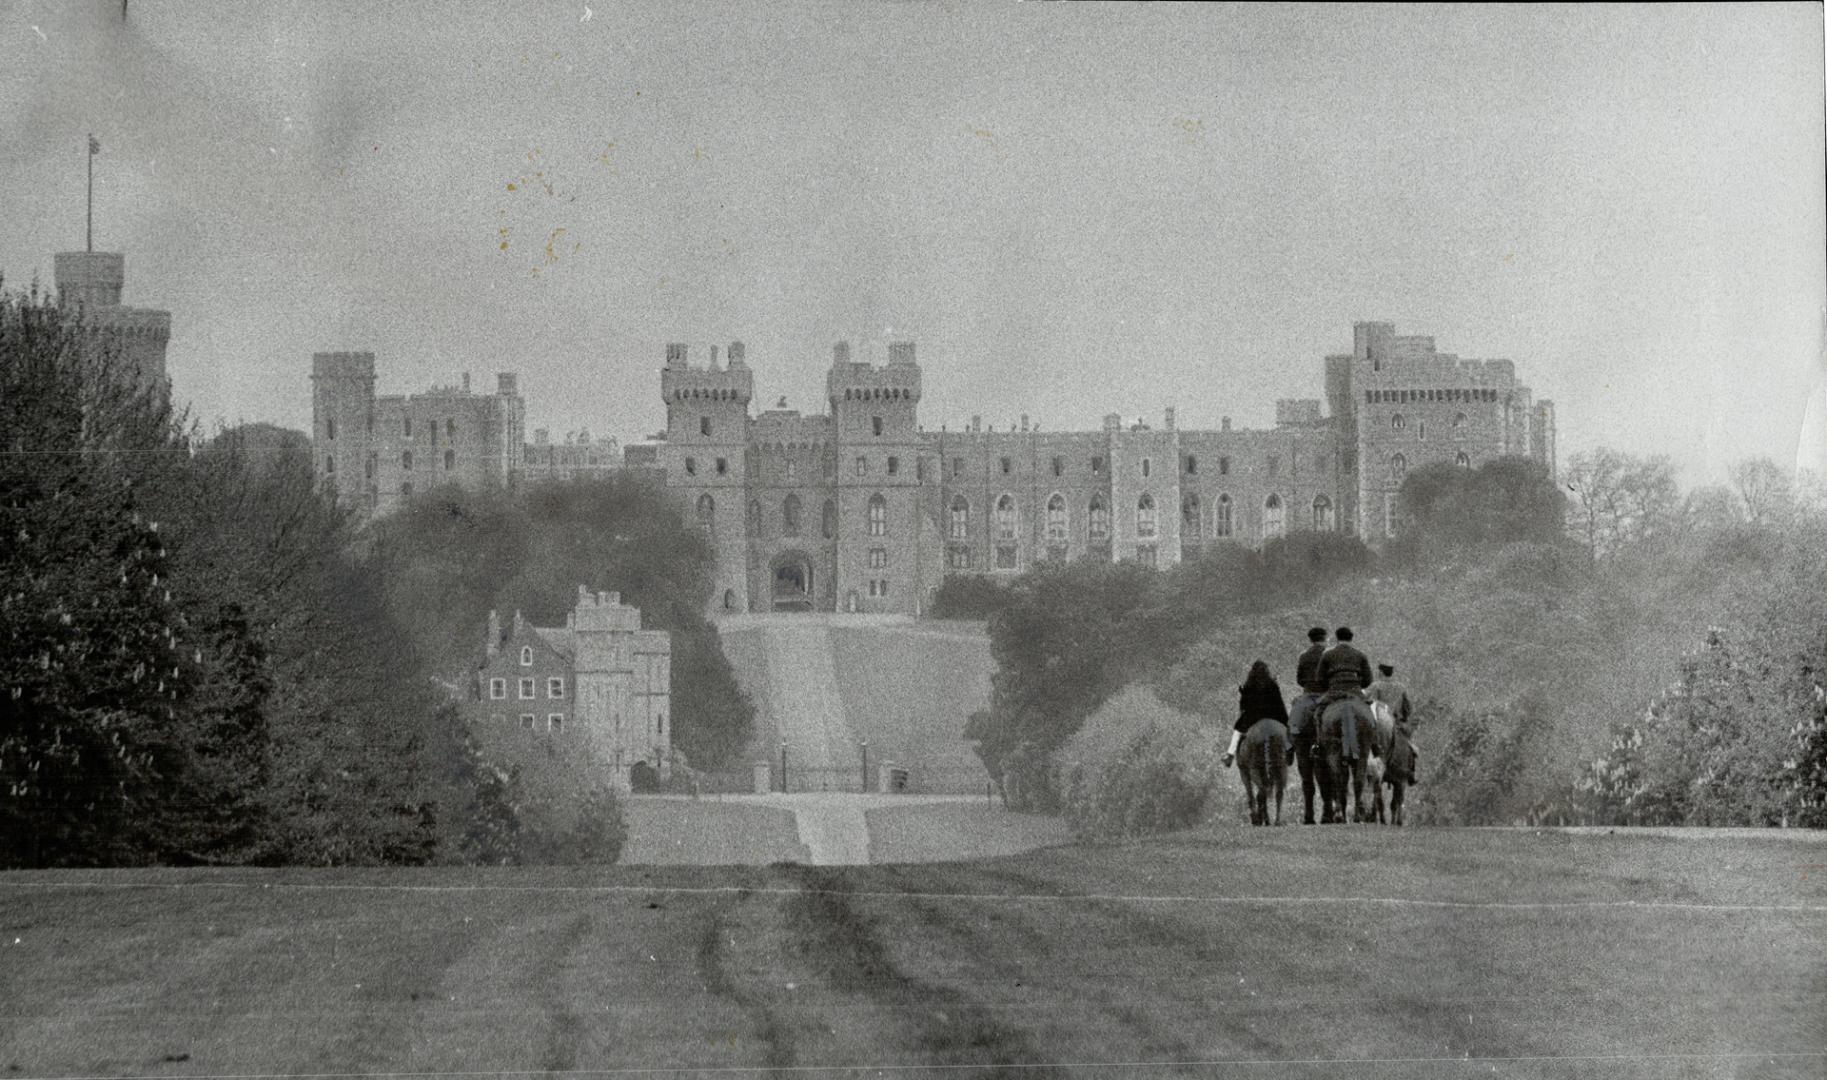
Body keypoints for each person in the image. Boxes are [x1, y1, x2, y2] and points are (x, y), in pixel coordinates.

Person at [1286, 627, 1329, 822]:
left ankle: (1289, 748)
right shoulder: (1329, 653)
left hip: (1308, 696)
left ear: (1310, 639)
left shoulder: (1304, 655)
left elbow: (1299, 679)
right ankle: (1329, 811)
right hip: (1327, 697)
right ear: (1325, 638)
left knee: (1294, 715)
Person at [1315, 626, 1374, 761]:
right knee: (1370, 714)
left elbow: (1319, 679)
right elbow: (1369, 679)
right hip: (1355, 692)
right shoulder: (1360, 655)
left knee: (1318, 713)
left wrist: (1330, 685)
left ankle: (1317, 745)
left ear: (1337, 638)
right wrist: (1358, 684)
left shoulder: (1327, 654)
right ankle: (1375, 744)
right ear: (1351, 639)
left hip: (1334, 692)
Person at [1222, 660, 1289, 768]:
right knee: (1286, 733)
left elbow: (1243, 706)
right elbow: (1279, 704)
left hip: (1253, 718)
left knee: (1237, 731)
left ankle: (1230, 755)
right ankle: (1289, 751)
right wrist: (1285, 722)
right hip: (1272, 717)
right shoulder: (1272, 685)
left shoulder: (1249, 685)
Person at [1365, 663, 1412, 730]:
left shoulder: (1376, 686)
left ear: (1380, 672)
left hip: (1380, 724)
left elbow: (1365, 700)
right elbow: (1407, 707)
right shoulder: (1401, 687)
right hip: (1396, 724)